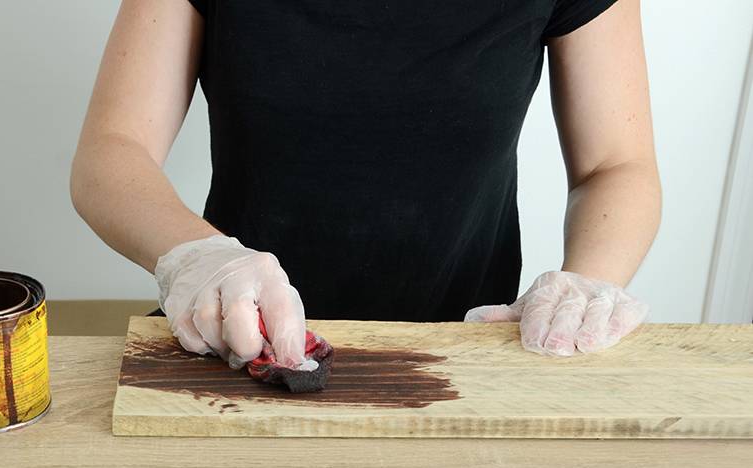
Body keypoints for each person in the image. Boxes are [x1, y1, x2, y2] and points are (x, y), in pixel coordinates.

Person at [71, 0, 661, 370]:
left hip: (465, 358)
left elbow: (615, 166)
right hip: (234, 343)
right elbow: (111, 153)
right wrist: (199, 257)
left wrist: (587, 285)